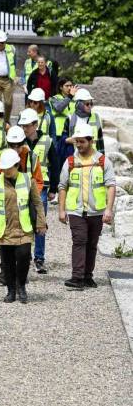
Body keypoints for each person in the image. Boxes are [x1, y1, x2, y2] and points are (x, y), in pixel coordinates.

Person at [0, 149, 47, 304]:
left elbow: (37, 203)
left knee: (24, 257)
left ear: (17, 165)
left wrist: (41, 223)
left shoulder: (27, 180)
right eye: (3, 168)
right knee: (8, 262)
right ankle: (11, 291)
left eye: (9, 168)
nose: (5, 171)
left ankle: (21, 285)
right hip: (4, 230)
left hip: (23, 229)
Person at [58, 124, 116, 290]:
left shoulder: (103, 161)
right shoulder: (70, 162)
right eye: (77, 141)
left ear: (91, 141)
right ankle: (77, 277)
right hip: (76, 210)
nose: (78, 145)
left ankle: (87, 276)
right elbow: (62, 186)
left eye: (82, 141)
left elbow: (111, 185)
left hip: (96, 211)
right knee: (79, 240)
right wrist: (62, 210)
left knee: (92, 244)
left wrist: (108, 209)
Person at [0, 125, 44, 285]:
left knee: (25, 239)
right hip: (7, 203)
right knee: (4, 236)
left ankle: (21, 274)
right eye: (11, 145)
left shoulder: (33, 158)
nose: (15, 148)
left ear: (24, 142)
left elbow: (39, 180)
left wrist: (30, 193)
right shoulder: (4, 157)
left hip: (25, 204)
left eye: (18, 145)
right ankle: (6, 272)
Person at [19, 108, 58, 274]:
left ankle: (39, 259)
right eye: (22, 126)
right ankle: (24, 255)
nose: (24, 129)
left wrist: (53, 189)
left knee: (40, 223)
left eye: (27, 126)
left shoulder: (47, 141)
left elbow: (55, 165)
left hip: (41, 187)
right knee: (23, 221)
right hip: (21, 187)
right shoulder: (18, 141)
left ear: (35, 125)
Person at [65, 88, 105, 154]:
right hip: (75, 158)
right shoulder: (70, 118)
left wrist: (102, 158)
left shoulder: (96, 117)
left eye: (91, 104)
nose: (90, 106)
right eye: (87, 104)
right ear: (79, 104)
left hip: (93, 158)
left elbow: (100, 140)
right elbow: (64, 139)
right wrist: (67, 140)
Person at [49, 78, 76, 174]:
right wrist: (70, 97)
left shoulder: (74, 99)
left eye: (71, 86)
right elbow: (59, 108)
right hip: (58, 134)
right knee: (57, 160)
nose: (69, 88)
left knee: (69, 161)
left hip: (70, 135)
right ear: (61, 87)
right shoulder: (54, 98)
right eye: (67, 86)